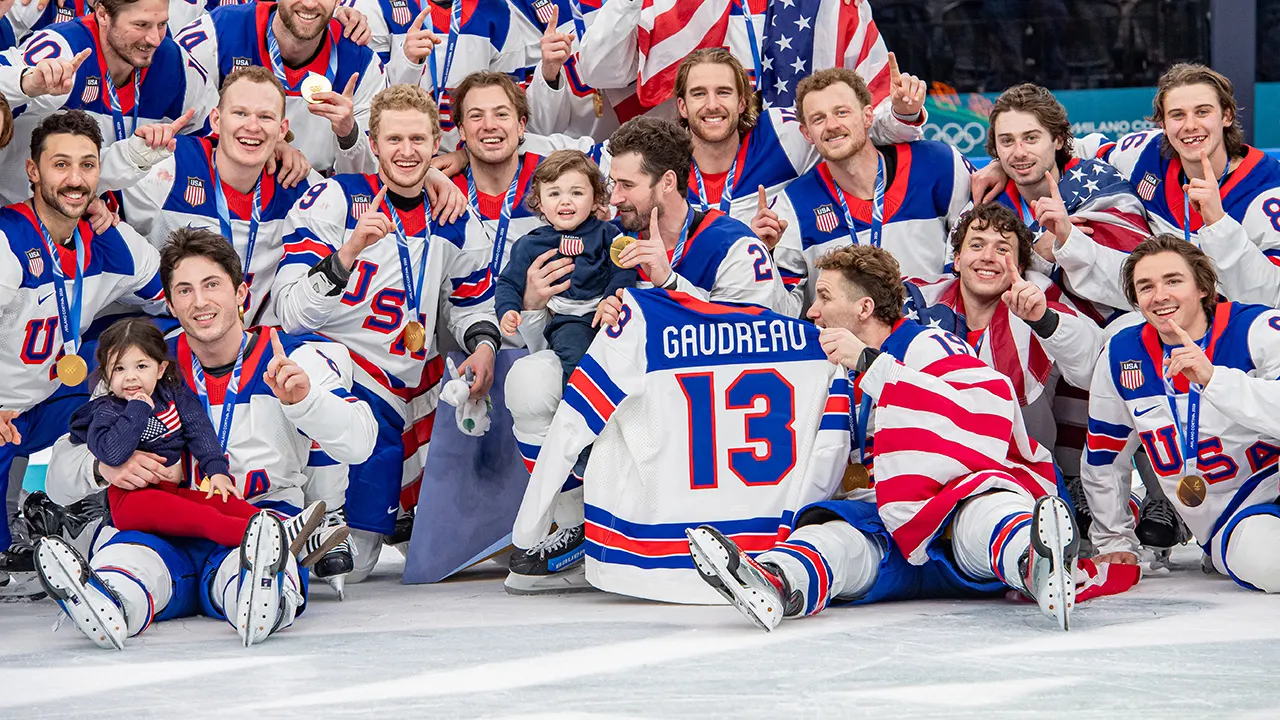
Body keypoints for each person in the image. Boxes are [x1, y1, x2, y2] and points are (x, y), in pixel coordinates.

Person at [687, 244, 1090, 632]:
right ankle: (777, 583)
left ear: (864, 308)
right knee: (831, 535)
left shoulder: (926, 343)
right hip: (885, 526)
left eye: (824, 296)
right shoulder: (827, 367)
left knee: (985, 514)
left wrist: (872, 365)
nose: (812, 311)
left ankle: (1036, 564)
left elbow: (986, 407)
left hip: (952, 519)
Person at [36, 226, 377, 649]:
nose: (199, 301)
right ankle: (110, 602)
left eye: (212, 284)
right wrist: (101, 466)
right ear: (170, 303)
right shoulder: (140, 366)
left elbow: (360, 443)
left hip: (254, 520)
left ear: (241, 293)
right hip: (161, 527)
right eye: (185, 290)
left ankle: (259, 594)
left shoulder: (296, 357)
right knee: (128, 565)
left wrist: (306, 401)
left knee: (254, 566)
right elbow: (58, 480)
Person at [501, 115, 786, 593]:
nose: (612, 197)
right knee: (530, 379)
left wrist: (669, 284)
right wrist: (532, 307)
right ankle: (581, 527)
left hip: (709, 428)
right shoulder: (606, 241)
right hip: (634, 402)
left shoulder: (734, 244)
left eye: (626, 185)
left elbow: (757, 345)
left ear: (667, 182)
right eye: (612, 183)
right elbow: (555, 342)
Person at [272, 83, 500, 582]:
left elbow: (472, 303)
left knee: (353, 568)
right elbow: (290, 315)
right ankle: (310, 510)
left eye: (418, 140)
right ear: (372, 144)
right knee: (315, 363)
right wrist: (346, 255)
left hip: (393, 391)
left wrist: (484, 344)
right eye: (394, 139)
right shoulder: (335, 198)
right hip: (331, 366)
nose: (406, 151)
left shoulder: (454, 216)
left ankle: (351, 518)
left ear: (436, 144)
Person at [0, 110, 164, 573]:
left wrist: (116, 229)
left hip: (53, 396)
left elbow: (173, 300)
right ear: (33, 171)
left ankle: (93, 506)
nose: (75, 179)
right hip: (3, 409)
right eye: (61, 165)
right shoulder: (8, 240)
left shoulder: (104, 237)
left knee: (162, 350)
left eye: (87, 165)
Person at [1082, 234, 1280, 592]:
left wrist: (1214, 379)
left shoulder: (1258, 329)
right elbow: (1104, 456)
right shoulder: (1121, 355)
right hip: (1233, 517)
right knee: (1268, 563)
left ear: (1203, 287)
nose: (1160, 296)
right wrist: (1113, 540)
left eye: (1173, 281)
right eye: (1146, 286)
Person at [67, 316, 347, 560]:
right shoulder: (108, 409)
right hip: (132, 502)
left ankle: (286, 532)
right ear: (106, 375)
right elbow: (113, 453)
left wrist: (217, 472)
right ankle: (275, 543)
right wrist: (137, 408)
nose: (130, 377)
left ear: (160, 369)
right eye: (119, 369)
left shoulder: (172, 395)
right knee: (205, 518)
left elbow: (199, 431)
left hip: (170, 491)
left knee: (225, 503)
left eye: (141, 366)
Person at [114, 66, 321, 327]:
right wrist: (166, 293)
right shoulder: (169, 166)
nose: (252, 126)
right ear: (215, 120)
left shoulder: (299, 182)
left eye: (265, 117)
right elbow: (89, 194)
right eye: (240, 113)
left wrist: (349, 136)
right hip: (166, 329)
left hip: (253, 338)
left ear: (282, 130)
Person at [756, 68, 972, 316]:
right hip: (846, 339)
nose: (832, 125)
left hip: (938, 332)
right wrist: (765, 254)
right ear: (807, 134)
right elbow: (783, 313)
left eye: (842, 112)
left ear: (868, 116)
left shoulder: (938, 165)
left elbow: (982, 243)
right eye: (818, 119)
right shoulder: (792, 207)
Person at [0, 0, 220, 202]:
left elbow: (218, 134)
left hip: (94, 214)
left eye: (162, 24)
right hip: (20, 212)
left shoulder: (176, 66)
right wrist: (26, 83)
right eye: (141, 25)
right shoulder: (63, 48)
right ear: (103, 14)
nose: (154, 39)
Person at [984, 83, 1151, 318]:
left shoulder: (1102, 185)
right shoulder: (986, 204)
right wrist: (1037, 254)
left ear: (1058, 140)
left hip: (1121, 326)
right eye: (1007, 141)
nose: (1019, 152)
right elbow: (968, 286)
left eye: (1031, 138)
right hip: (1033, 333)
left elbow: (1142, 282)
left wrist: (1069, 241)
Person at [174, 0, 388, 175]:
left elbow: (368, 178)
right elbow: (178, 127)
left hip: (315, 198)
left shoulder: (362, 62)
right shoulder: (217, 31)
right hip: (218, 187)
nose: (310, 4)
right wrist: (263, 142)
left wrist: (348, 134)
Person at [496, 149, 636, 385]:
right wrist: (508, 309)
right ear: (540, 203)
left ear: (596, 200)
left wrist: (611, 297)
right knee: (578, 358)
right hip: (568, 319)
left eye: (577, 192)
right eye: (554, 193)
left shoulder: (608, 234)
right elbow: (508, 283)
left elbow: (624, 269)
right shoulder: (530, 244)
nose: (565, 201)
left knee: (628, 360)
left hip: (610, 313)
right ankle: (579, 402)